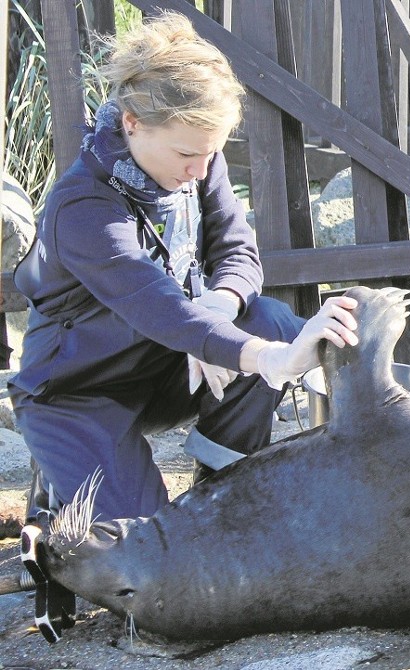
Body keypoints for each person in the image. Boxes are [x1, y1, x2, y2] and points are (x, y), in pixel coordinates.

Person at [9, 12, 359, 523]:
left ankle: (222, 498)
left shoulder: (198, 162)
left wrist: (218, 307)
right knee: (145, 546)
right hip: (78, 391)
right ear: (132, 124)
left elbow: (238, 250)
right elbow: (159, 308)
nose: (199, 171)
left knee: (269, 318)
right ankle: (61, 486)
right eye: (186, 154)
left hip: (165, 365)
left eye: (210, 154)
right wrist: (267, 360)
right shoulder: (82, 207)